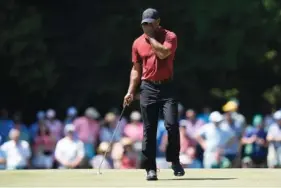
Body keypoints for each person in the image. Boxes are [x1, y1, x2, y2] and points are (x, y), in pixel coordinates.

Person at [123, 8, 184, 180]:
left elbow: (164, 53)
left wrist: (150, 38)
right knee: (149, 130)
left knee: (172, 125)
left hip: (167, 87)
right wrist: (130, 91)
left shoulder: (170, 36)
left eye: (150, 23)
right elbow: (136, 69)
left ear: (158, 22)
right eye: (144, 24)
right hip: (148, 87)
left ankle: (174, 160)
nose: (147, 26)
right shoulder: (137, 43)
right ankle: (150, 168)